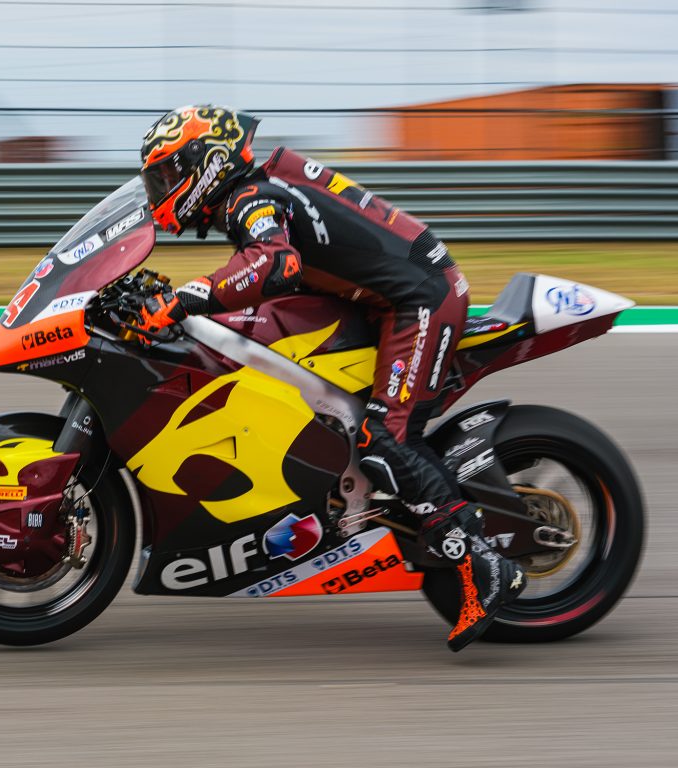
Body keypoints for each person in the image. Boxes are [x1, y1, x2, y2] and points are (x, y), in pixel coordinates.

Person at [137, 104, 524, 650]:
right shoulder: (251, 191)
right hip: (375, 297)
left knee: (384, 439)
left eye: (168, 175)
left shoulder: (252, 198)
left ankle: (484, 565)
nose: (161, 190)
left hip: (418, 299)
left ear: (208, 163)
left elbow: (275, 264)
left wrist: (183, 299)